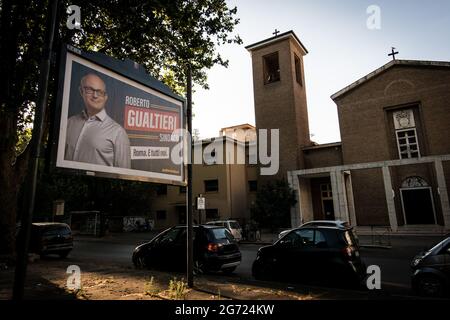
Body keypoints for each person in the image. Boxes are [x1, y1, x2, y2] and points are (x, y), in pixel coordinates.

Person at [65, 73, 131, 168]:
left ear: (105, 97)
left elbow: (124, 175)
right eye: (90, 90)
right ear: (81, 91)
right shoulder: (69, 123)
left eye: (100, 92)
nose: (95, 96)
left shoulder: (118, 132)